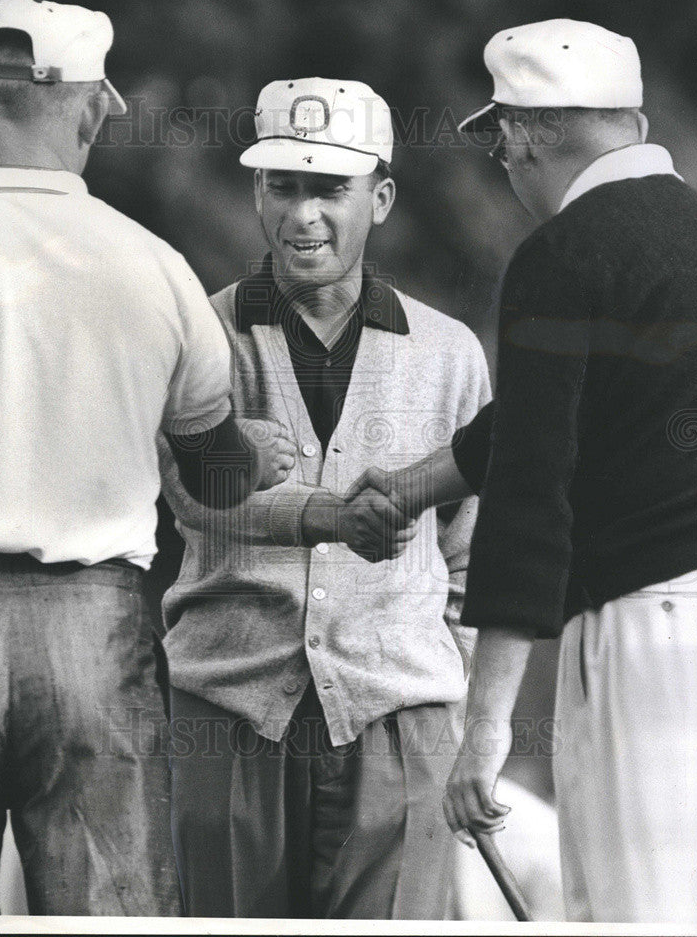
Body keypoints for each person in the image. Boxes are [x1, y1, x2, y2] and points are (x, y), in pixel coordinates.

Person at [0, 0, 294, 916]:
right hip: (91, 632)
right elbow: (214, 477)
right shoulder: (155, 268)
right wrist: (250, 451)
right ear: (95, 111)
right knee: (111, 917)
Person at [349, 19, 697, 926]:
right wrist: (410, 486)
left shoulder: (565, 253)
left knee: (637, 914)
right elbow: (557, 417)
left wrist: (484, 728)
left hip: (644, 636)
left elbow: (532, 489)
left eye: (498, 137)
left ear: (520, 132)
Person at [158, 77, 492, 919]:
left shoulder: (448, 352)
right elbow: (191, 500)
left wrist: (453, 713)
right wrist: (325, 514)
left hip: (399, 714)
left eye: (329, 190)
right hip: (229, 709)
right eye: (283, 186)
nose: (302, 215)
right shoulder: (202, 331)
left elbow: (467, 557)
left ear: (377, 198)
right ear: (256, 193)